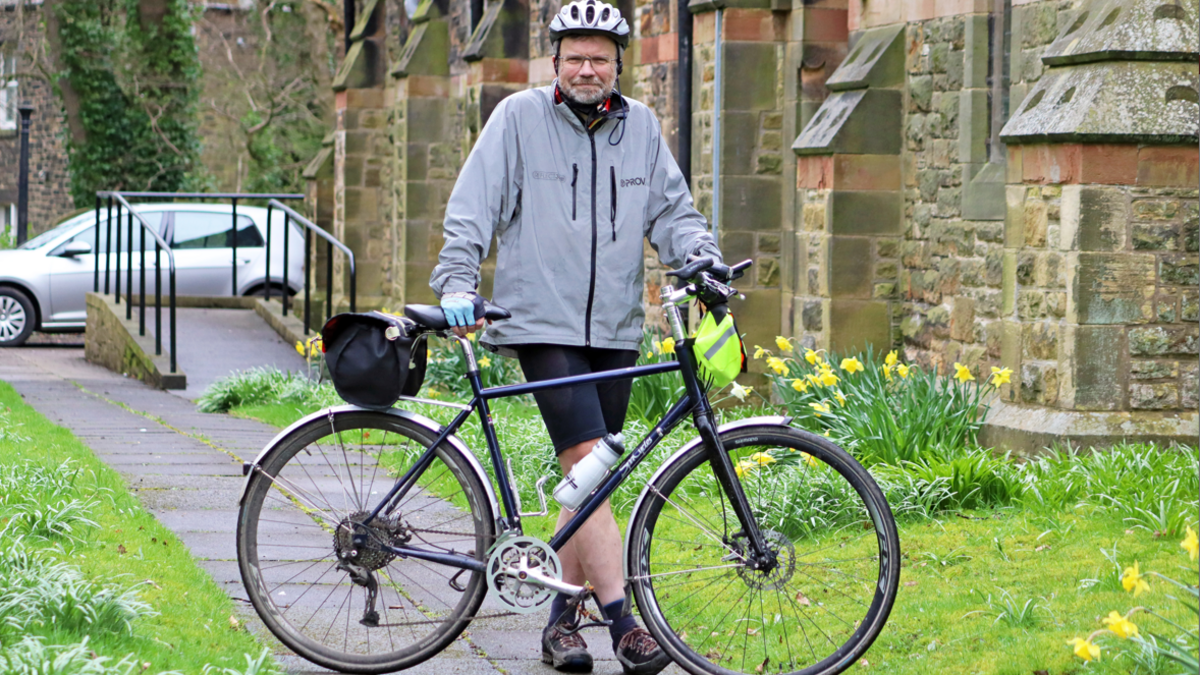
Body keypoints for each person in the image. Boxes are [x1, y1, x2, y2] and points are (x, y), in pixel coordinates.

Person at [430, 1, 721, 672]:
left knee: (586, 479)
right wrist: (456, 281)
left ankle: (560, 622)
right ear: (555, 62)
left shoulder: (641, 127)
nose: (587, 69)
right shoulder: (519, 120)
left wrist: (700, 256)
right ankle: (624, 620)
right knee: (589, 466)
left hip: (616, 327)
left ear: (619, 66)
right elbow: (474, 205)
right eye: (575, 58)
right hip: (542, 321)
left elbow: (673, 212)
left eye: (599, 59)